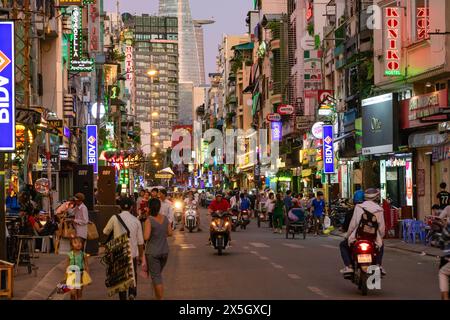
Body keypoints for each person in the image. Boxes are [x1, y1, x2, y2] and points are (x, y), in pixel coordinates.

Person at [103, 197, 144, 300]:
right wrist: (141, 256)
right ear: (131, 208)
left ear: (120, 207)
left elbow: (105, 232)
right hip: (132, 252)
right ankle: (132, 293)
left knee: (121, 276)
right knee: (132, 273)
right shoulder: (136, 220)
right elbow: (140, 242)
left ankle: (123, 296)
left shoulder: (114, 218)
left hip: (119, 252)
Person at [339, 188, 386, 275]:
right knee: (381, 245)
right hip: (373, 238)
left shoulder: (359, 207)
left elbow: (353, 224)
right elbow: (381, 228)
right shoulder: (379, 209)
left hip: (358, 236)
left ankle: (349, 266)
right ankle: (378, 265)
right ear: (376, 197)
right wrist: (380, 237)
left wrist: (348, 236)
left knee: (343, 245)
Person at [144, 198, 173, 300]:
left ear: (149, 208)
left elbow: (146, 237)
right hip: (164, 251)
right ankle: (156, 297)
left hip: (153, 252)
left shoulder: (149, 220)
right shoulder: (165, 218)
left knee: (156, 277)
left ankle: (160, 298)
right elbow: (170, 233)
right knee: (158, 275)